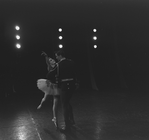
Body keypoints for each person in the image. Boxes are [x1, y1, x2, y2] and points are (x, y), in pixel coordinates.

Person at [37, 51, 60, 128]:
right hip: (50, 86)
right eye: (50, 60)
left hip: (57, 87)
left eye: (52, 59)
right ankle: (41, 104)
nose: (52, 60)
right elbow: (47, 61)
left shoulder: (58, 65)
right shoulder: (50, 67)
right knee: (45, 99)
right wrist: (46, 56)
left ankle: (55, 118)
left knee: (55, 103)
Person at [55, 50, 76, 131]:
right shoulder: (71, 62)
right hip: (72, 85)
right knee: (67, 102)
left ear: (60, 55)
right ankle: (71, 120)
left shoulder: (59, 65)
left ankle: (67, 125)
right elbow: (75, 73)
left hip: (64, 86)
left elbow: (57, 75)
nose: (56, 58)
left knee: (64, 104)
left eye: (57, 56)